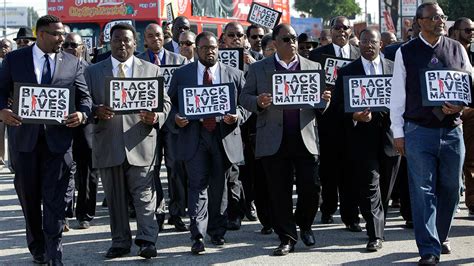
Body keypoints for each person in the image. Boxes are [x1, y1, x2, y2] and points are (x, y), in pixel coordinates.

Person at [0, 15, 91, 265]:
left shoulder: (73, 63)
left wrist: (82, 114)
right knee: (29, 200)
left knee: (55, 201)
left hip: (59, 145)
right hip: (25, 143)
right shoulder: (14, 59)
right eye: (56, 34)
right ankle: (37, 246)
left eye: (63, 34)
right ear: (40, 34)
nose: (61, 38)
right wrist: (2, 111)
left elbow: (85, 98)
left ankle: (54, 253)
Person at [389, 3, 473, 264]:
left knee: (451, 188)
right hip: (418, 131)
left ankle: (440, 234)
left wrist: (461, 105)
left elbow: (469, 84)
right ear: (419, 22)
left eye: (442, 17)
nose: (441, 21)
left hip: (452, 132)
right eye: (435, 17)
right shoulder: (406, 52)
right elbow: (397, 96)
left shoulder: (457, 49)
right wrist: (398, 132)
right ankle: (429, 249)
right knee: (422, 190)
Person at [240, 23, 331, 256]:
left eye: (294, 39)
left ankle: (306, 225)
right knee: (278, 192)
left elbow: (320, 104)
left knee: (311, 188)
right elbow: (244, 97)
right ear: (275, 43)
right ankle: (287, 237)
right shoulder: (260, 69)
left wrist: (325, 100)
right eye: (286, 39)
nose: (292, 43)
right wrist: (258, 102)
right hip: (273, 138)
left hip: (305, 138)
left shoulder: (312, 66)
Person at [84, 23, 171, 259]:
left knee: (144, 197)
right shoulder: (93, 72)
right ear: (109, 42)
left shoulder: (152, 70)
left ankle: (147, 241)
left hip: (141, 142)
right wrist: (95, 110)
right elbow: (83, 103)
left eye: (127, 40)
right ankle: (120, 242)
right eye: (117, 40)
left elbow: (166, 104)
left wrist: (157, 116)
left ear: (136, 43)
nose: (122, 44)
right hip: (107, 143)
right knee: (115, 199)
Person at [168, 31, 247, 254]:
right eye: (204, 48)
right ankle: (198, 234)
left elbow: (246, 104)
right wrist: (176, 117)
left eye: (213, 47)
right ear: (196, 49)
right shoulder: (182, 75)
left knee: (219, 188)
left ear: (218, 49)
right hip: (195, 135)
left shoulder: (234, 74)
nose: (209, 51)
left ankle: (217, 231)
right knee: (197, 186)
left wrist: (238, 116)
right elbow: (169, 104)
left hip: (222, 136)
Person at [333, 28, 401, 252]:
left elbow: (405, 100)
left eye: (372, 41)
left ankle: (377, 220)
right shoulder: (347, 71)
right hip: (361, 135)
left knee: (384, 186)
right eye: (363, 42)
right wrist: (354, 115)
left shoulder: (395, 68)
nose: (368, 45)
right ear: (358, 45)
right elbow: (337, 106)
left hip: (391, 136)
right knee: (369, 184)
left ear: (380, 44)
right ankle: (375, 235)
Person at [309, 16, 361, 230]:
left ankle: (351, 217)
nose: (341, 31)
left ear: (351, 31)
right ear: (330, 31)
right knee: (328, 169)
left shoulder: (359, 54)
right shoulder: (317, 55)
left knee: (351, 170)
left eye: (345, 27)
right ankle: (328, 208)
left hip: (354, 120)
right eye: (336, 27)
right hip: (327, 119)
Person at [137, 23, 188, 232]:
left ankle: (177, 214)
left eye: (158, 35)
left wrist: (174, 114)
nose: (155, 39)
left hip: (173, 124)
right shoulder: (138, 62)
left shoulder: (180, 61)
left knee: (175, 169)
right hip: (148, 124)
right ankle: (157, 213)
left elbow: (185, 93)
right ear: (145, 40)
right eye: (150, 36)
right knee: (152, 170)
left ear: (165, 37)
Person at [62, 32, 99, 230]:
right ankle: (64, 213)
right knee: (64, 169)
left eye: (73, 45)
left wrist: (85, 113)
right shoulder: (55, 68)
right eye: (66, 44)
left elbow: (97, 98)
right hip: (61, 127)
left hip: (87, 126)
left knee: (87, 172)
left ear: (82, 48)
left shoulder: (92, 70)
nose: (70, 48)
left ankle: (85, 213)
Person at [451, 17, 474, 215]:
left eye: (473, 30)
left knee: (471, 160)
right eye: (467, 30)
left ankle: (472, 203)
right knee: (458, 160)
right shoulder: (448, 52)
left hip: (471, 111)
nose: (471, 33)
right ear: (455, 31)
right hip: (452, 114)